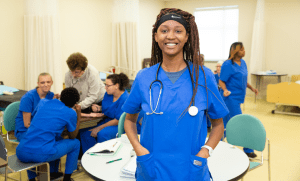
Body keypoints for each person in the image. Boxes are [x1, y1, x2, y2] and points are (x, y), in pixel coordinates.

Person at [122, 8, 229, 181]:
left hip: (189, 168)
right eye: (164, 30)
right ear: (156, 36)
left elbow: (218, 125)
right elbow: (129, 120)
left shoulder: (204, 76)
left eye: (178, 31)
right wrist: (139, 149)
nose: (170, 36)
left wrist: (205, 152)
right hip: (151, 167)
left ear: (187, 37)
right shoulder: (144, 77)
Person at [16, 87, 81, 181]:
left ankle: (33, 179)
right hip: (42, 154)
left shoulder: (43, 102)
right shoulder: (70, 112)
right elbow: (72, 136)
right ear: (74, 103)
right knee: (76, 143)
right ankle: (67, 178)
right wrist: (78, 115)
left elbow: (38, 116)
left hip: (21, 151)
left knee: (48, 140)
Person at [219, 42, 259, 158]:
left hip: (238, 97)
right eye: (242, 50)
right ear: (235, 51)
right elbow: (221, 81)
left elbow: (243, 79)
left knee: (225, 123)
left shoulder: (243, 63)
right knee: (241, 122)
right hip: (230, 98)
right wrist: (225, 89)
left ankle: (218, 145)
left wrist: (252, 88)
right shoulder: (227, 64)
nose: (244, 51)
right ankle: (248, 149)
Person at [80, 73, 130, 153]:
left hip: (119, 125)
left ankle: (103, 158)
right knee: (85, 133)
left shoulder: (125, 98)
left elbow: (118, 120)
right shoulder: (108, 94)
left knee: (102, 134)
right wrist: (99, 108)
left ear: (116, 86)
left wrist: (99, 128)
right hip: (107, 121)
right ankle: (91, 157)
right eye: (105, 85)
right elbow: (109, 109)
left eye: (108, 85)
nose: (105, 87)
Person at [15, 73, 58, 141]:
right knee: (45, 140)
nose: (46, 85)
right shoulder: (28, 97)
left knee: (58, 137)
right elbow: (27, 124)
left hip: (41, 128)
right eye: (42, 82)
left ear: (52, 83)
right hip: (25, 131)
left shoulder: (51, 95)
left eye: (48, 82)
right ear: (38, 84)